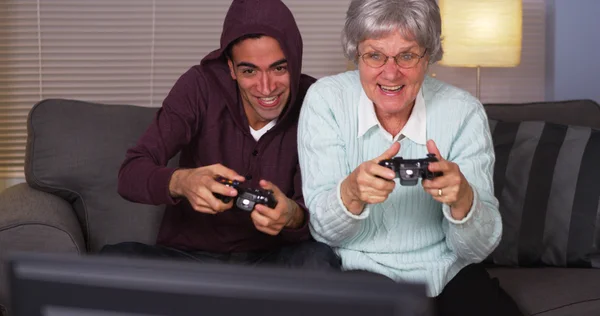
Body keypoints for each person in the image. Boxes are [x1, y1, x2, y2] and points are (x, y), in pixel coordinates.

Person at [297, 0, 523, 314]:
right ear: (356, 55)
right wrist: (350, 193)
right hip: (359, 271)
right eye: (375, 55)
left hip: (449, 272)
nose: (391, 73)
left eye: (407, 55)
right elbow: (323, 230)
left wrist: (464, 202)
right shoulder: (326, 100)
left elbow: (477, 249)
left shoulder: (464, 112)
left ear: (428, 56)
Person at [102, 0, 340, 270]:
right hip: (191, 261)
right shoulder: (199, 86)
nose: (266, 88)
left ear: (295, 63)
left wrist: (292, 215)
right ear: (231, 68)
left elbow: (320, 212)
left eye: (279, 68)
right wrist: (182, 181)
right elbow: (130, 174)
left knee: (318, 259)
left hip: (273, 263)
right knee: (116, 259)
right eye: (249, 70)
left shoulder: (316, 100)